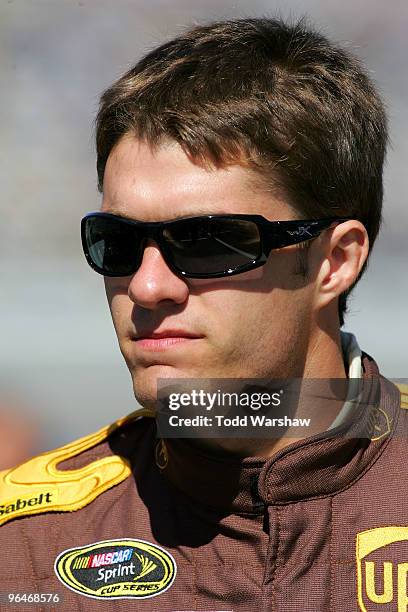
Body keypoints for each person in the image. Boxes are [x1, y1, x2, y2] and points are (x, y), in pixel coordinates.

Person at [0, 16, 406, 611]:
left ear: (334, 262)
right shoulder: (26, 546)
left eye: (209, 242)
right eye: (116, 241)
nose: (147, 285)